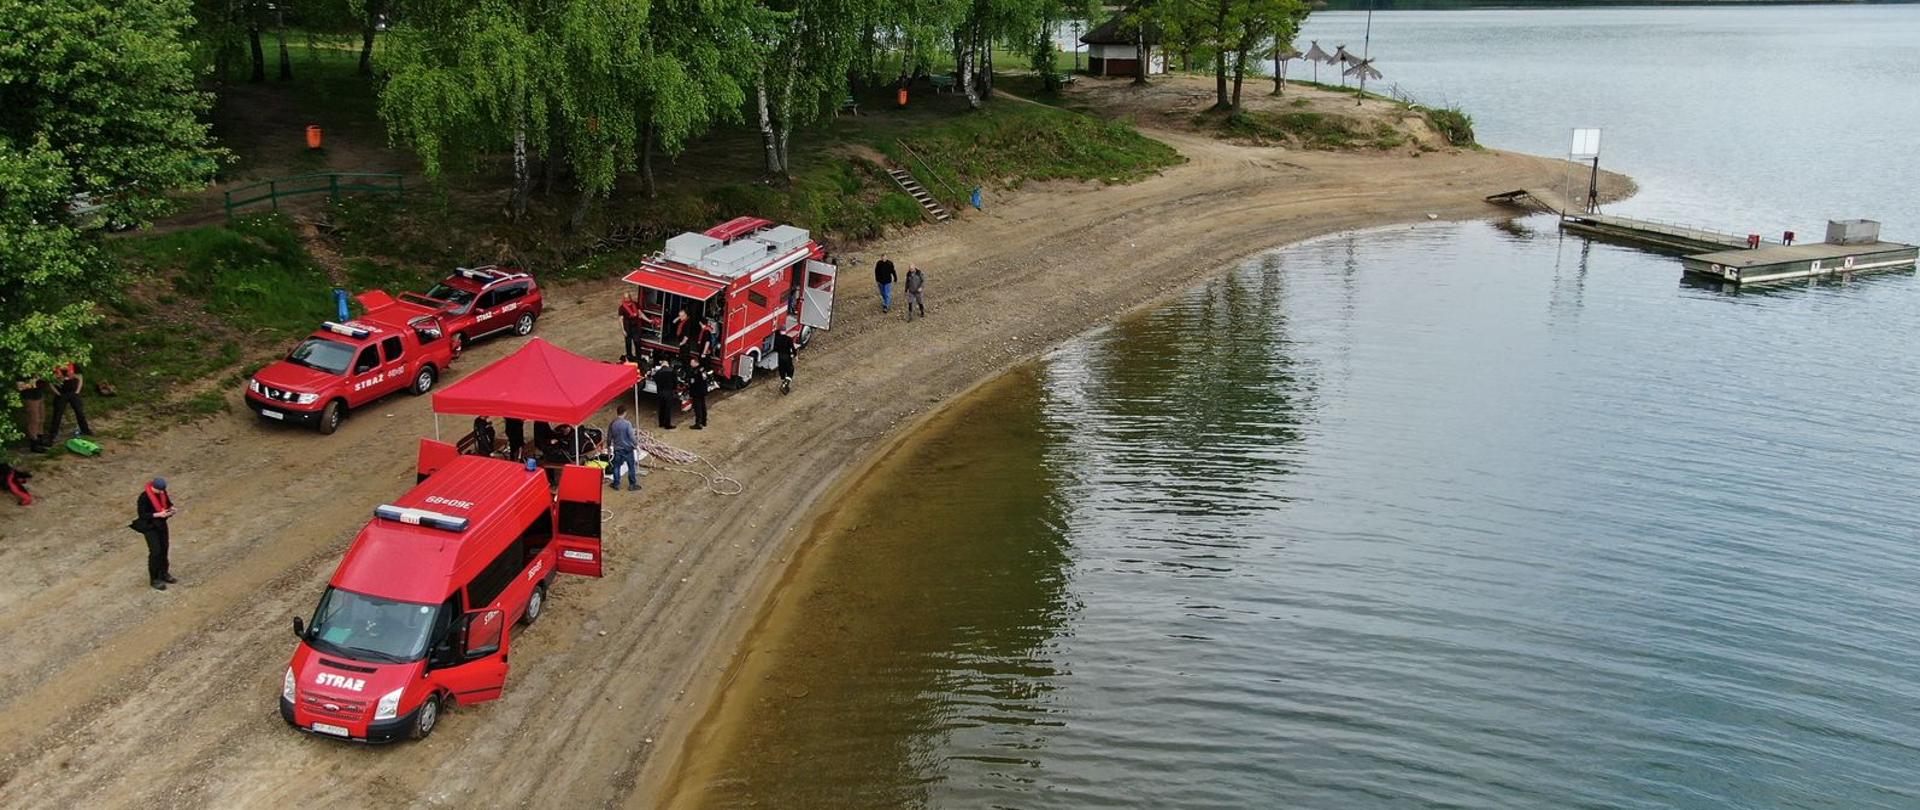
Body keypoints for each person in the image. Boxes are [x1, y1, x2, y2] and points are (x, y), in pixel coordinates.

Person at [135, 477, 177, 590]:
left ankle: (164, 573)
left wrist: (171, 509)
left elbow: (168, 503)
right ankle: (154, 579)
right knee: (155, 551)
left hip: (161, 525)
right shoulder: (144, 497)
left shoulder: (162, 493)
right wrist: (158, 514)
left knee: (164, 548)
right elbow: (142, 515)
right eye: (159, 490)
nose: (161, 492)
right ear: (153, 487)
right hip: (149, 527)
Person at [47, 362, 91, 438]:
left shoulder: (73, 365)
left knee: (80, 412)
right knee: (57, 414)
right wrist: (57, 393)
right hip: (61, 394)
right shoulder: (55, 366)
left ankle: (85, 430)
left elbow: (80, 378)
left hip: (73, 392)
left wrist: (77, 391)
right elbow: (50, 382)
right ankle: (53, 433)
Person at [607, 404, 639, 491]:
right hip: (628, 449)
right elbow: (631, 436)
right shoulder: (627, 424)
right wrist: (636, 445)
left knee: (616, 467)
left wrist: (609, 447)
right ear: (625, 413)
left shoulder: (612, 424)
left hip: (618, 449)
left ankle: (616, 484)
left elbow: (609, 437)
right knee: (631, 467)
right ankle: (632, 484)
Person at [16, 377, 48, 452]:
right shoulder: (23, 373)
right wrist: (33, 383)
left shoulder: (38, 371)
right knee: (34, 420)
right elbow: (20, 387)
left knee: (42, 418)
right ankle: (34, 443)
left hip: (39, 396)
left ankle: (40, 439)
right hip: (30, 397)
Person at [618, 293, 648, 361]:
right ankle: (629, 357)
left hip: (635, 327)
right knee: (628, 344)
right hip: (627, 327)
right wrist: (623, 330)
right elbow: (621, 319)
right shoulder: (622, 308)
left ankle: (638, 358)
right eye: (625, 298)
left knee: (637, 342)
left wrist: (648, 320)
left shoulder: (635, 304)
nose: (627, 299)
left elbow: (640, 313)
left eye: (628, 297)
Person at [651, 360, 678, 429]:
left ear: (662, 365)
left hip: (660, 392)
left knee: (661, 408)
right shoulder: (672, 371)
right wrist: (674, 389)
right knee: (668, 408)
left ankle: (661, 423)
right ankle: (667, 424)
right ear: (667, 364)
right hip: (669, 392)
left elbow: (654, 379)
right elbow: (675, 382)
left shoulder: (658, 372)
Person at [688, 358, 712, 430]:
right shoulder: (702, 369)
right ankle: (704, 421)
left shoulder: (695, 371)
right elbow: (705, 378)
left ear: (696, 363)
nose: (690, 364)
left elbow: (692, 381)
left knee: (697, 407)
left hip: (696, 392)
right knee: (703, 406)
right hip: (702, 391)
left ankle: (698, 423)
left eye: (691, 362)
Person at [774, 327, 797, 396]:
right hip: (787, 357)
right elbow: (793, 348)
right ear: (785, 331)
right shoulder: (789, 339)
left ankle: (784, 383)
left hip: (780, 358)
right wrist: (795, 355)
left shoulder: (777, 339)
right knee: (790, 370)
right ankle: (785, 385)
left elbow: (775, 348)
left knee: (782, 370)